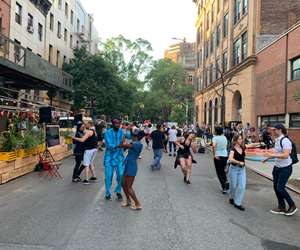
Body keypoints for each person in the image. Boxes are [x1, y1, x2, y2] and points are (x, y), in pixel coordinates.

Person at [263, 124, 298, 216]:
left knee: (280, 188)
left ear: (280, 130)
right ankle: (281, 207)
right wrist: (268, 157)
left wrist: (272, 156)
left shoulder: (285, 141)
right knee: (276, 187)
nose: (273, 132)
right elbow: (277, 151)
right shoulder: (277, 140)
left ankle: (292, 205)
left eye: (275, 130)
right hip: (277, 167)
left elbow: (286, 155)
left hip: (285, 168)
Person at [228, 134, 261, 211]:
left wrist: (259, 143)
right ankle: (232, 197)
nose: (241, 140)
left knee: (242, 186)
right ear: (235, 140)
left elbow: (251, 145)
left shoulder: (242, 147)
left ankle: (237, 203)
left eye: (241, 139)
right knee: (233, 186)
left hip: (242, 170)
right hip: (233, 169)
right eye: (239, 139)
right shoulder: (233, 149)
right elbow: (230, 159)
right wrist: (239, 162)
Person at [120, 130, 143, 210]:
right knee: (123, 183)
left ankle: (137, 203)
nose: (131, 137)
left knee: (129, 187)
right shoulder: (136, 143)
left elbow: (123, 145)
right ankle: (128, 200)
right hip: (128, 164)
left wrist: (123, 136)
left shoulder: (136, 144)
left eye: (132, 136)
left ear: (135, 137)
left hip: (131, 165)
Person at [103, 118, 125, 201]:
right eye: (116, 123)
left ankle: (118, 191)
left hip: (119, 156)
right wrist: (120, 145)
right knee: (108, 176)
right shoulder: (108, 133)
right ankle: (107, 193)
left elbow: (125, 140)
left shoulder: (121, 131)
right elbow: (109, 145)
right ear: (113, 124)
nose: (118, 125)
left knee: (121, 174)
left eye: (119, 123)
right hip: (109, 157)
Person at [212, 127, 229, 194]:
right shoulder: (224, 137)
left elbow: (213, 146)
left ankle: (224, 186)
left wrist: (214, 155)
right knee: (223, 170)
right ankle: (226, 181)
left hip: (218, 156)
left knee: (219, 172)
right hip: (225, 155)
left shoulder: (215, 138)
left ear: (216, 132)